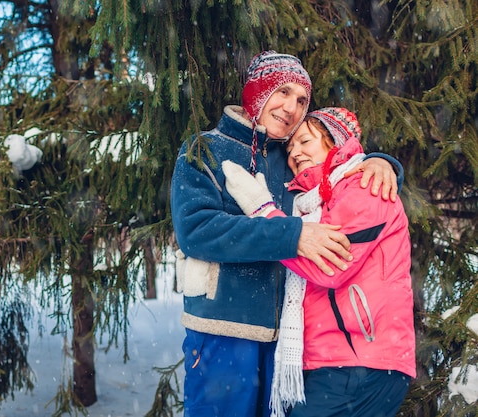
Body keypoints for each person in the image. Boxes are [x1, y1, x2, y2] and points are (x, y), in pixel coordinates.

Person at [170, 50, 403, 417]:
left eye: (301, 100)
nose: (291, 108)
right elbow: (197, 231)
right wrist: (291, 236)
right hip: (224, 328)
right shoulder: (205, 149)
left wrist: (381, 163)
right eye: (282, 92)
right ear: (258, 92)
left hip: (288, 346)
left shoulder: (291, 158)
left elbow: (340, 177)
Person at [222, 107, 415, 417]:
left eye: (305, 141)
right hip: (333, 361)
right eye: (290, 147)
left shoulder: (366, 187)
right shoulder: (315, 202)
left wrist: (264, 211)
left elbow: (329, 264)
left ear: (334, 143)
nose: (295, 153)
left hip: (361, 360)